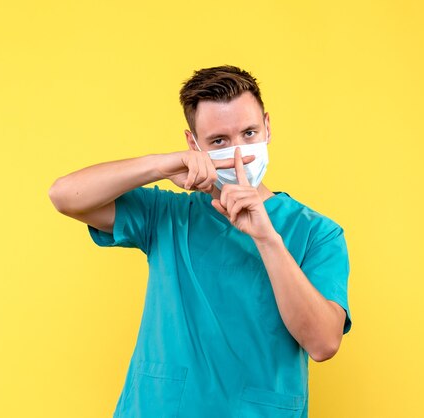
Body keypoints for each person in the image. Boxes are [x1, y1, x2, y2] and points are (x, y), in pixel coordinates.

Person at [48, 65, 352, 418]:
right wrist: (162, 165)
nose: (239, 153)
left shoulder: (317, 233)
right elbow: (65, 195)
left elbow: (323, 343)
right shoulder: (168, 215)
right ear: (194, 145)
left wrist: (268, 239)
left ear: (268, 127)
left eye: (249, 133)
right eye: (219, 142)